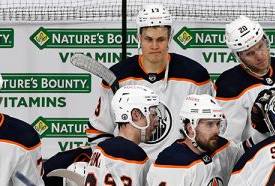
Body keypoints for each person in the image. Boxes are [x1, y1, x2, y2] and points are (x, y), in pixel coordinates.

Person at [86, 3, 212, 160]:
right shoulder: (118, 75)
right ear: (138, 38)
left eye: (160, 39)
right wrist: (112, 164)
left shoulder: (195, 76)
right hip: (129, 167)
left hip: (175, 168)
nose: (154, 46)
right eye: (148, 39)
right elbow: (98, 132)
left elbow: (207, 129)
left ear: (170, 38)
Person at [215, 15, 275, 148]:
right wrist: (259, 141)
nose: (260, 56)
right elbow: (228, 146)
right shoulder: (230, 85)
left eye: (260, 47)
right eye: (250, 53)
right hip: (254, 162)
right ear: (239, 56)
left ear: (265, 40)